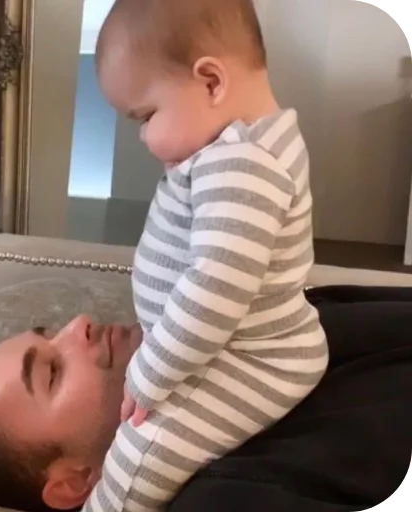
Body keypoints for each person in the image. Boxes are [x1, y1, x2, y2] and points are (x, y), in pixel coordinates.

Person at [87, 0, 327, 509]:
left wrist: (149, 373)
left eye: (146, 116)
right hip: (226, 345)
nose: (144, 136)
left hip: (249, 360)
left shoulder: (243, 164)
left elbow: (215, 287)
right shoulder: (240, 148)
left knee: (143, 449)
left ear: (211, 82)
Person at [0, 285, 412, 512]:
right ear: (74, 482)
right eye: (52, 373)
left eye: (52, 332)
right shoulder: (226, 501)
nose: (79, 325)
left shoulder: (256, 321)